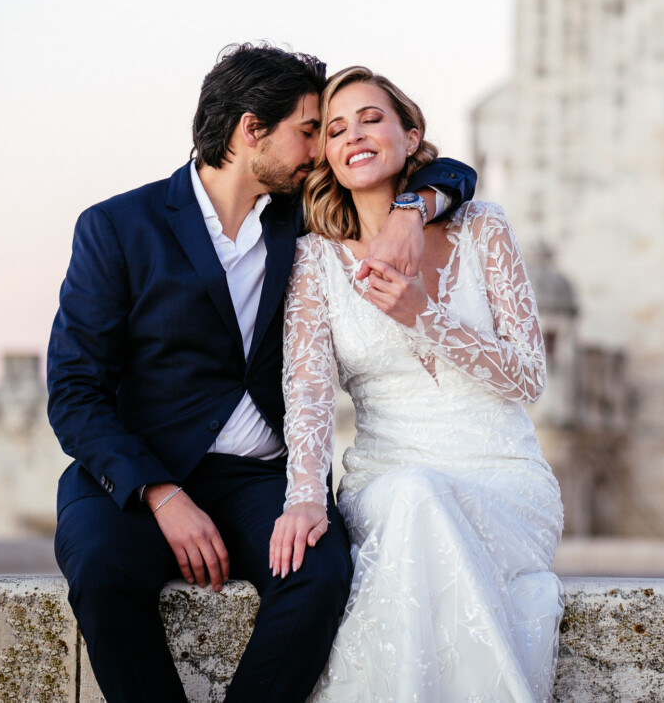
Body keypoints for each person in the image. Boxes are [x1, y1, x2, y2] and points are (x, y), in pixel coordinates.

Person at [47, 43, 476, 702]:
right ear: (252, 131)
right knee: (101, 572)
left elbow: (453, 170)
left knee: (320, 573)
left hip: (260, 477)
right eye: (310, 131)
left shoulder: (306, 214)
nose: (322, 150)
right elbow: (74, 392)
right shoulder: (116, 227)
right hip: (138, 475)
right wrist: (160, 492)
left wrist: (410, 213)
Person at [270, 66, 565, 702]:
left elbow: (528, 377)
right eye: (337, 128)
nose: (354, 135)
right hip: (386, 480)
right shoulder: (315, 259)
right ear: (326, 154)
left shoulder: (483, 228)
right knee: (412, 497)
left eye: (371, 119)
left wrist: (423, 315)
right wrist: (303, 497)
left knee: (421, 505)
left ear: (411, 135)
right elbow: (310, 395)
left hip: (503, 480)